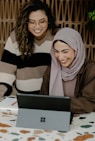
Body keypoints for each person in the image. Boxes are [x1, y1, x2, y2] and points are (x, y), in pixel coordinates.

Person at [0, 0, 58, 97]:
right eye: (32, 22)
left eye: (42, 21)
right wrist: (6, 97)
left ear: (49, 20)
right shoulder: (16, 38)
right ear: (26, 22)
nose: (37, 27)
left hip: (51, 99)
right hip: (22, 99)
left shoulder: (57, 37)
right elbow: (5, 74)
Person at [41, 27, 95, 114]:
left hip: (81, 120)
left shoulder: (91, 69)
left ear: (76, 50)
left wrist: (58, 104)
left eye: (65, 51)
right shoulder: (52, 68)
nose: (60, 57)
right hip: (55, 117)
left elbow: (90, 103)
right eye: (56, 51)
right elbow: (43, 98)